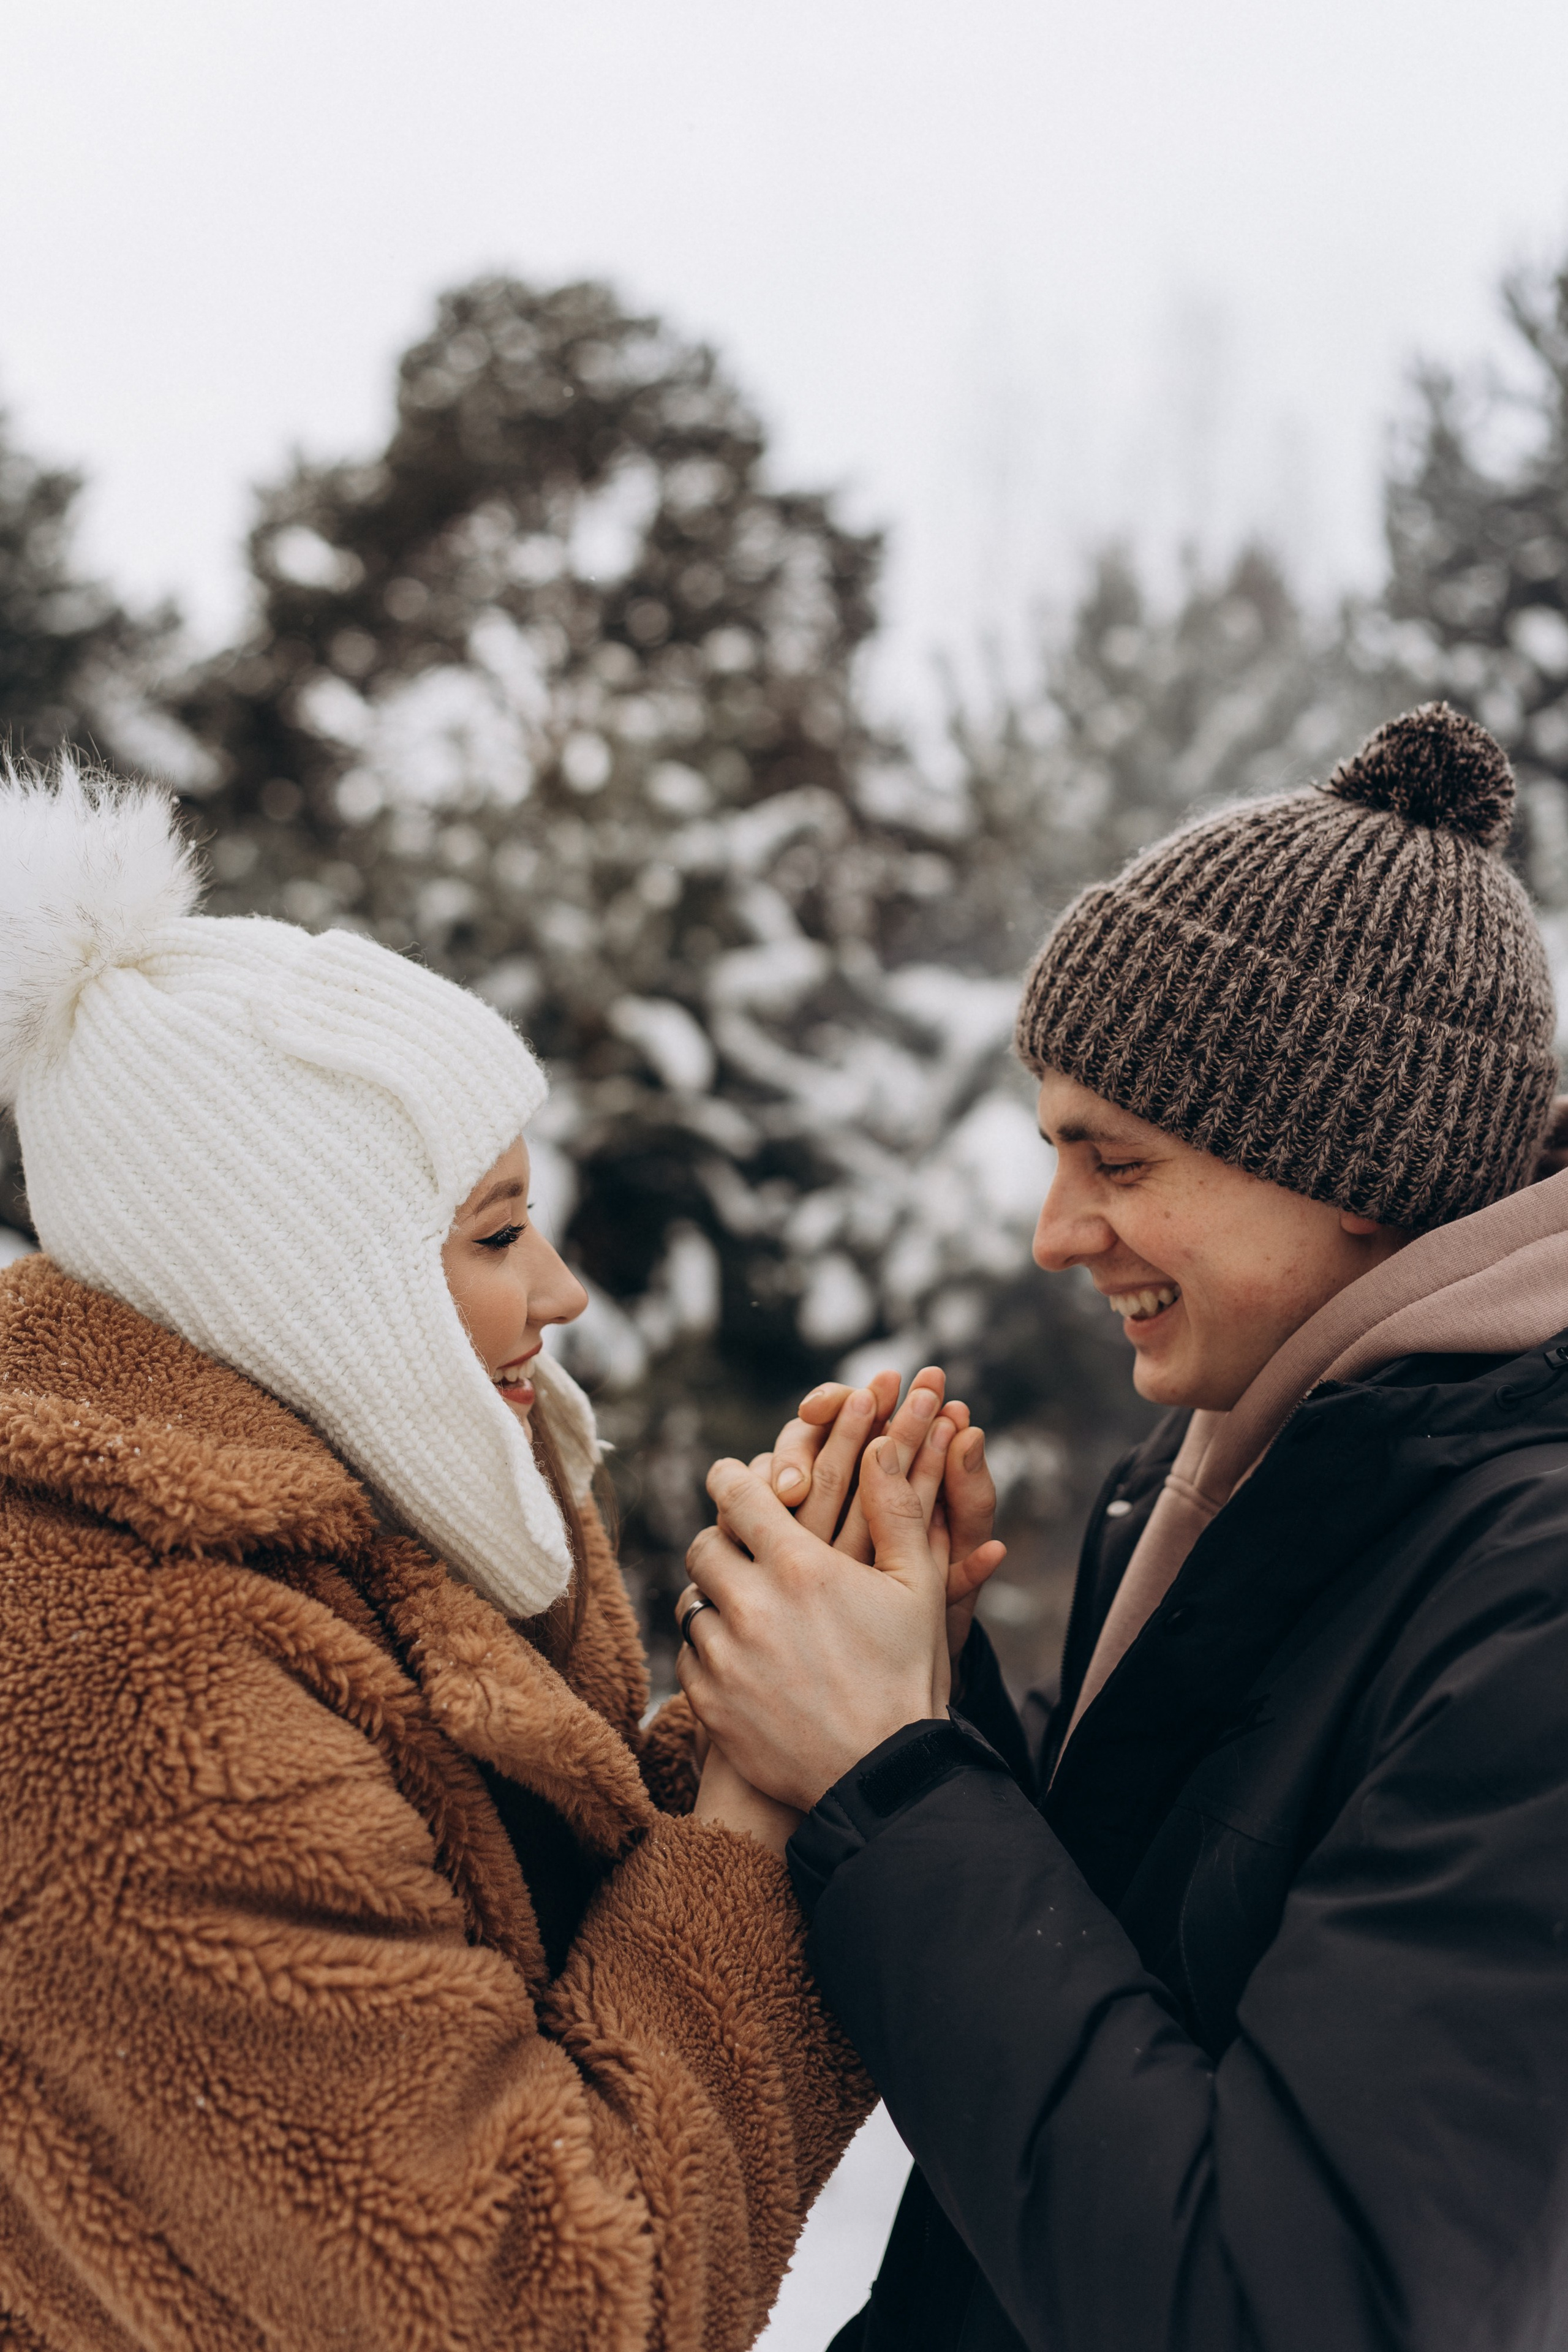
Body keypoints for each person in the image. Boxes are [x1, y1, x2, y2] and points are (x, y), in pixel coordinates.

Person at [0, 762, 989, 2351]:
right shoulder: (137, 1701)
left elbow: (518, 1964)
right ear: (307, 1277)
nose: (560, 1292)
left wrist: (781, 1710)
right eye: (492, 1233)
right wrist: (758, 1824)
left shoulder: (349, 1533)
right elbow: (541, 2301)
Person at [674, 703, 1568, 2351]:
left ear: (1351, 1167)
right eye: (1052, 1150)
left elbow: (1282, 2305)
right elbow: (1137, 1988)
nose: (1053, 1233)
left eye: (1120, 1161)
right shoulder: (1210, 1474)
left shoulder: (1531, 1603)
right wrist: (916, 1682)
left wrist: (891, 1773)